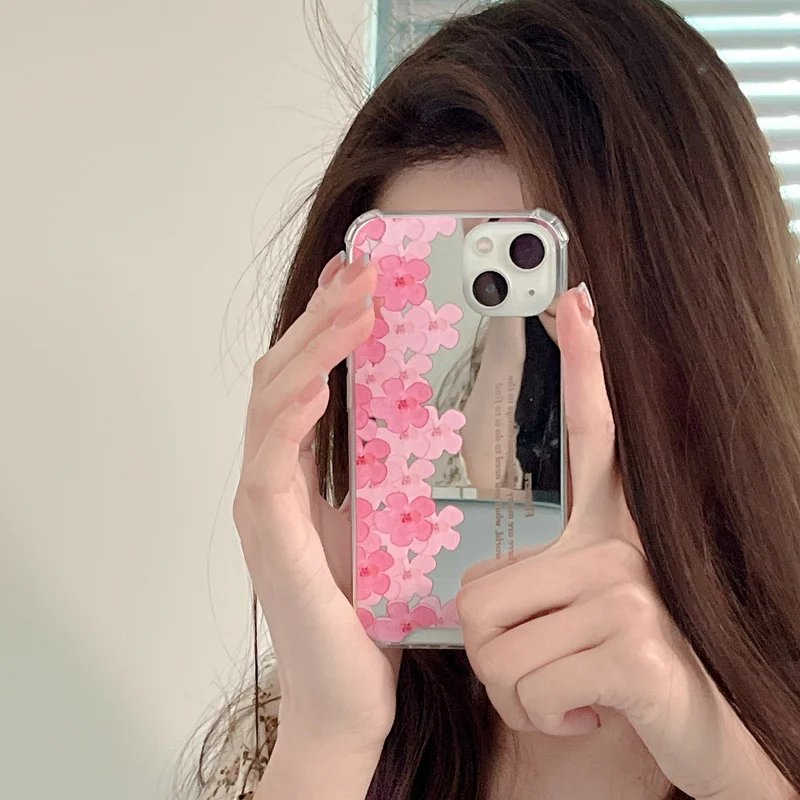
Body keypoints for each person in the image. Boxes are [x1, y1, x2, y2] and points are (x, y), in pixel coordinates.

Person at [184, 0, 800, 798]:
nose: (481, 418)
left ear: (702, 340)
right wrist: (327, 735)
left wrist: (724, 762)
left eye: (545, 323)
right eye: (429, 341)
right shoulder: (325, 733)